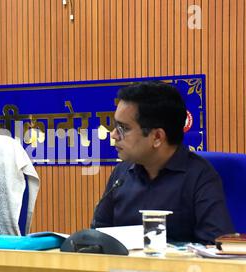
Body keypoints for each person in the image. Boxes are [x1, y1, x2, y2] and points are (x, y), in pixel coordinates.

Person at [91, 81, 234, 244]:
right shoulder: (121, 173)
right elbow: (99, 235)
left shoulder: (200, 176)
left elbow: (215, 245)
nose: (114, 135)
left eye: (124, 128)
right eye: (115, 126)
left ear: (157, 137)